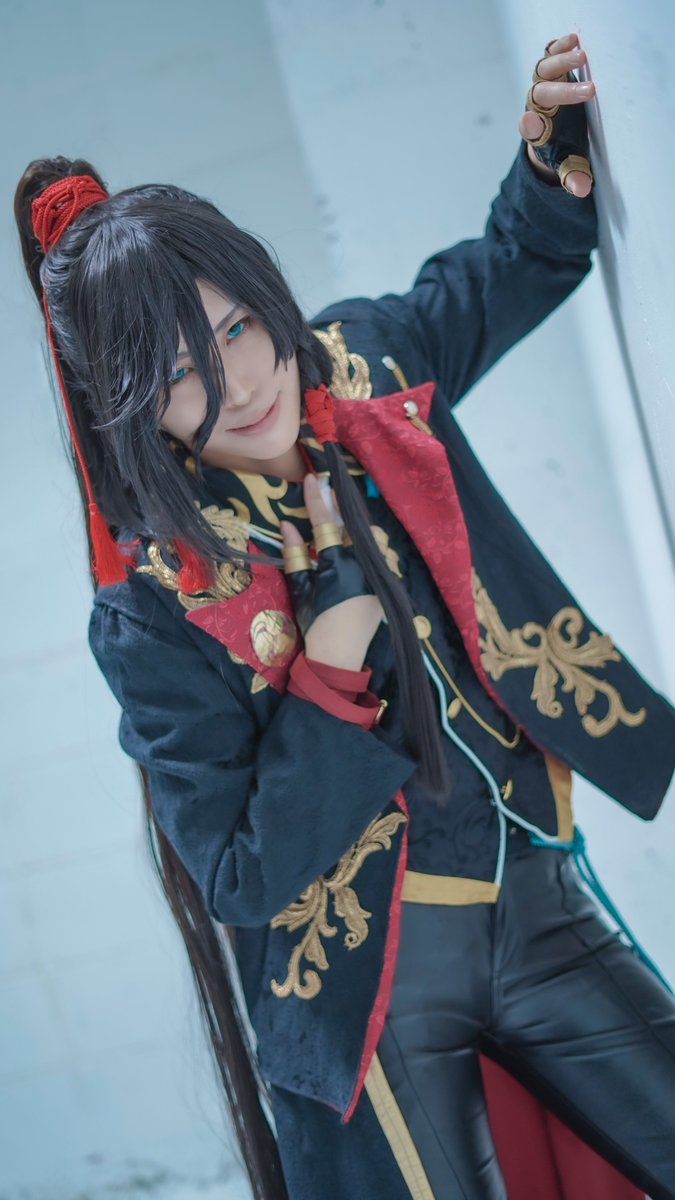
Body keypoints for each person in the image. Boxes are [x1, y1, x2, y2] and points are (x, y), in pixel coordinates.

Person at [15, 30, 675, 1200]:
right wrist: (322, 676)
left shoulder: (364, 363)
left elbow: (513, 263)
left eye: (236, 328)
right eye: (180, 374)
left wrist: (549, 157)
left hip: (537, 901)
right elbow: (235, 873)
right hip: (371, 991)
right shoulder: (155, 608)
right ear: (133, 409)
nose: (238, 383)